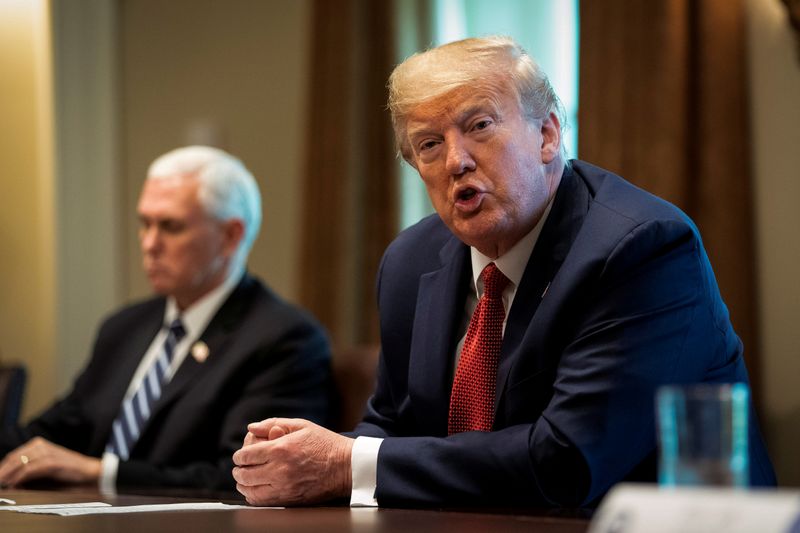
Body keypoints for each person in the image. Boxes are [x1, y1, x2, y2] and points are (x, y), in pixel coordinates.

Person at [231, 36, 776, 508]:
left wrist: (349, 463)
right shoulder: (409, 262)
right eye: (429, 144)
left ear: (547, 136)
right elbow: (394, 428)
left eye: (480, 126)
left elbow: (567, 462)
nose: (456, 162)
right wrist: (305, 458)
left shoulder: (639, 248)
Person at [0, 146, 332, 492]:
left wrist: (100, 473)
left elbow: (245, 476)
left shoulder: (284, 338)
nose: (150, 243)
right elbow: (58, 428)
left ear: (231, 236)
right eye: (145, 223)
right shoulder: (125, 326)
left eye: (170, 227)